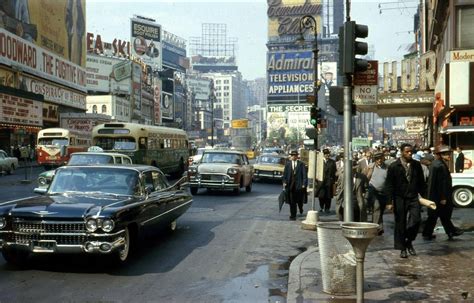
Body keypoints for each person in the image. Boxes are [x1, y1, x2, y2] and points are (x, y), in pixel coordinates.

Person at [386, 143, 426, 259]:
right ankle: (402, 247)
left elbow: (421, 182)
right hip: (399, 197)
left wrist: (424, 197)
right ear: (402, 152)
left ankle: (409, 241)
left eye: (411, 152)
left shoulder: (416, 165)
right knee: (400, 223)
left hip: (413, 197)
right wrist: (389, 202)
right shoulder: (394, 166)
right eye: (407, 152)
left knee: (416, 220)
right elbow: (389, 185)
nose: (409, 154)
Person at [422, 145, 464, 241]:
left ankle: (432, 233)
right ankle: (450, 231)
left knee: (439, 215)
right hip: (440, 196)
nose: (449, 156)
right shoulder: (438, 165)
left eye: (449, 153)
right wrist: (442, 197)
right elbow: (438, 183)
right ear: (440, 155)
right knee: (440, 215)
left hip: (438, 196)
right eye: (446, 154)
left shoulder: (439, 164)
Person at [365, 151, 388, 235]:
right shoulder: (370, 167)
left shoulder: (387, 168)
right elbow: (364, 178)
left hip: (383, 192)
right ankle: (374, 229)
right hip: (373, 191)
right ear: (375, 160)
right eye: (377, 159)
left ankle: (379, 227)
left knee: (380, 211)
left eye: (380, 158)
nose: (379, 160)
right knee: (376, 207)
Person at [282, 150, 307, 220]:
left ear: (297, 156)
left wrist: (304, 184)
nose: (293, 157)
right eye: (292, 155)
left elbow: (304, 175)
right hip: (290, 186)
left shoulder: (301, 164)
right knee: (292, 201)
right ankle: (293, 215)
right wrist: (284, 182)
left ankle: (300, 207)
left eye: (295, 155)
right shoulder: (288, 164)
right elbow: (285, 175)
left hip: (298, 186)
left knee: (299, 200)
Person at [317, 148, 337, 213]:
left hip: (329, 181)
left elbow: (334, 171)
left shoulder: (332, 162)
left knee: (328, 196)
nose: (327, 155)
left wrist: (334, 180)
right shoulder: (319, 162)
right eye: (325, 154)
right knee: (321, 195)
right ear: (323, 155)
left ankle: (327, 208)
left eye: (328, 154)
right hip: (321, 181)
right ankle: (321, 206)